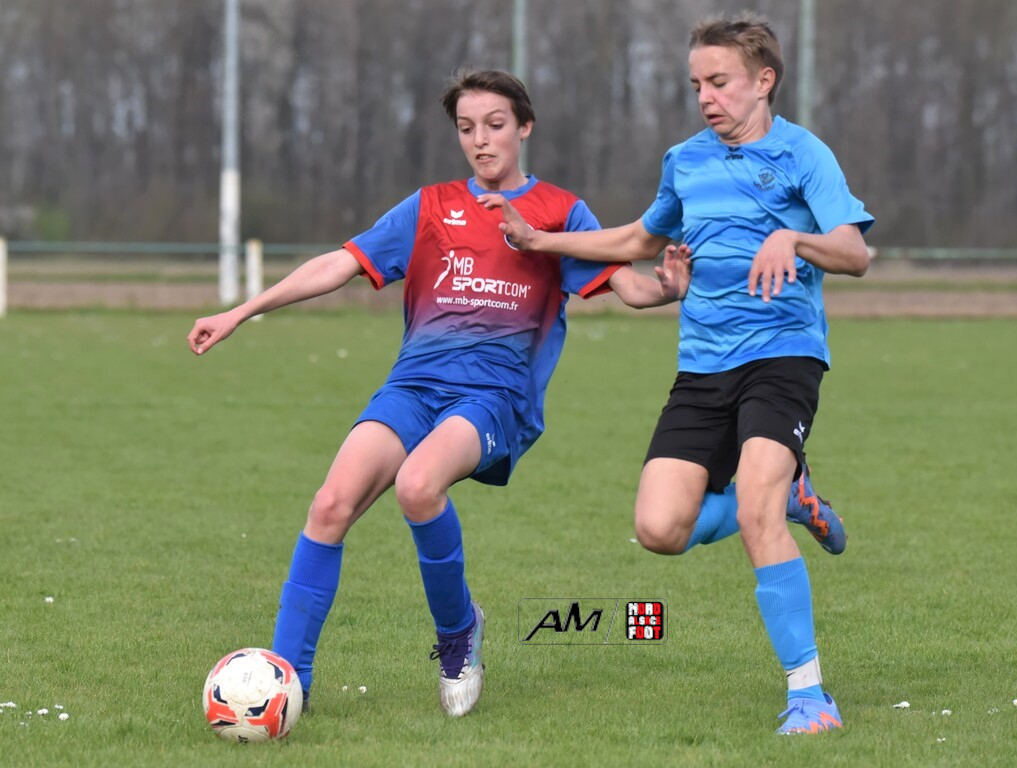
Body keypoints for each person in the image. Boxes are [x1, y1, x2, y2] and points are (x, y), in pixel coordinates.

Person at [187, 69, 688, 718]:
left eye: (495, 125)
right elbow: (339, 263)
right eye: (466, 128)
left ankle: (458, 635)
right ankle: (287, 682)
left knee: (418, 486)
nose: (480, 140)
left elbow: (632, 289)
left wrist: (668, 288)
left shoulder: (560, 212)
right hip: (413, 386)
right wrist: (241, 311)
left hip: (493, 397)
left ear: (524, 127)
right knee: (330, 505)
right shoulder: (429, 207)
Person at [479, 13, 873, 735]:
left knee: (754, 513)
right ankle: (790, 498)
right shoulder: (684, 160)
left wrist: (794, 238)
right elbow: (638, 238)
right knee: (660, 528)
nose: (705, 98)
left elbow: (854, 252)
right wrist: (539, 240)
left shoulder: (803, 154)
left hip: (782, 355)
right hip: (701, 365)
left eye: (719, 82)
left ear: (764, 80)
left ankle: (810, 697)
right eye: (696, 85)